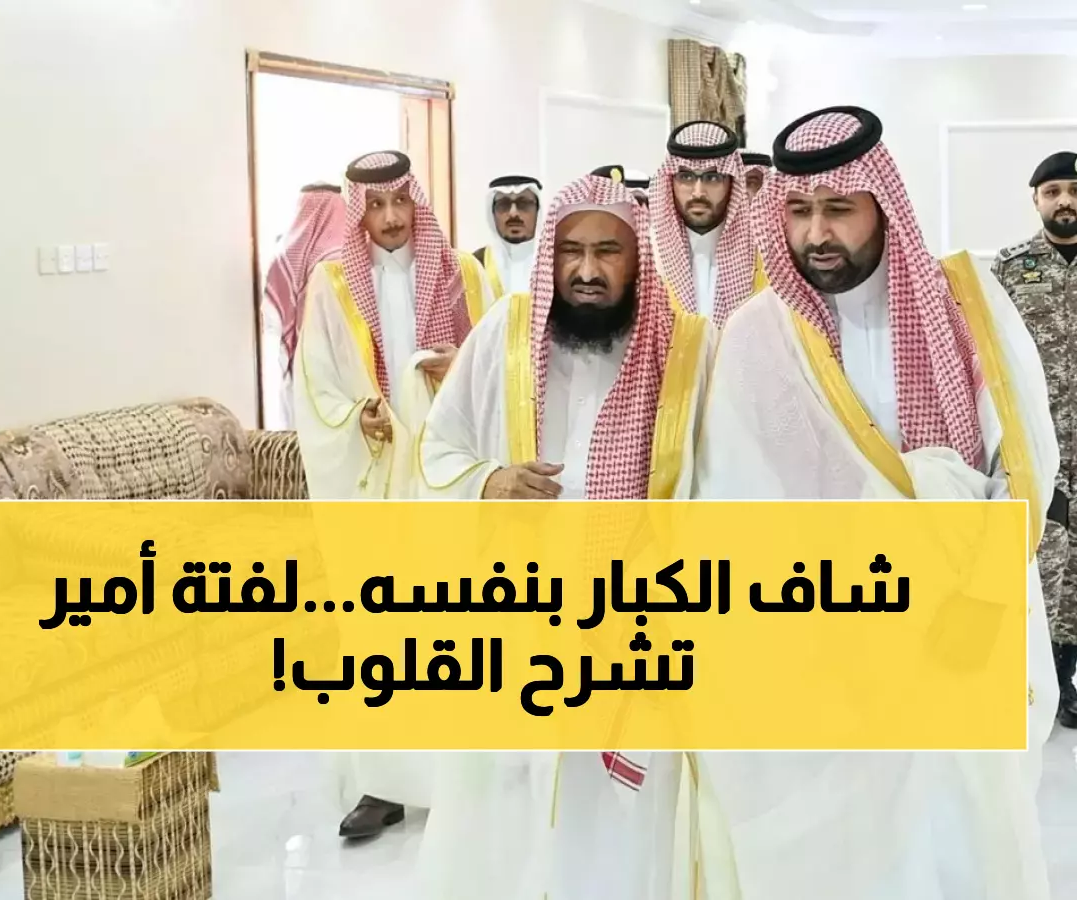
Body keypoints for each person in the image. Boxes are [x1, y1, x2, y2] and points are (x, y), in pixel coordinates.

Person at [693, 106, 1059, 900]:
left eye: (838, 209)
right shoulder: (757, 335)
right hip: (826, 628)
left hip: (962, 616)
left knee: (961, 826)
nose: (815, 232)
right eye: (798, 210)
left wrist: (982, 599)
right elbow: (732, 492)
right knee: (849, 841)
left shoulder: (969, 307)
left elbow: (1025, 459)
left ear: (882, 205)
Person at [413, 171, 713, 900]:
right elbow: (438, 447)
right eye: (572, 251)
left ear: (638, 258)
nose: (586, 270)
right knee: (513, 799)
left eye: (608, 251)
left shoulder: (686, 351)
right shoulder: (504, 335)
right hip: (520, 611)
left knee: (622, 814)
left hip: (639, 616)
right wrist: (489, 480)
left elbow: (717, 478)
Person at [293, 150, 493, 504]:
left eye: (400, 200)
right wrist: (355, 419)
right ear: (359, 212)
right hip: (378, 455)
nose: (391, 217)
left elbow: (499, 360)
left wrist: (462, 364)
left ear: (415, 201)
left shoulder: (463, 273)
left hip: (448, 453)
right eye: (375, 205)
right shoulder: (333, 283)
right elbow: (316, 378)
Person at [992, 150, 1077, 729]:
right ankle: (1034, 686)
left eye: (1074, 190)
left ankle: (1064, 682)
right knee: (1042, 568)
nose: (1064, 201)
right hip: (1038, 442)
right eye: (1053, 192)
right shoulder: (1010, 267)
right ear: (1036, 200)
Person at [648, 120, 765, 327]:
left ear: (732, 182)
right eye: (686, 176)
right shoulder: (649, 253)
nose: (698, 192)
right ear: (670, 181)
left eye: (712, 177)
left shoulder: (762, 252)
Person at [261, 183, 346, 429]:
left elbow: (271, 321)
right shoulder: (344, 256)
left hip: (300, 365)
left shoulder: (284, 257)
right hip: (338, 365)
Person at [474, 175, 543, 301]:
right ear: (492, 212)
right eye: (503, 204)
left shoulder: (554, 262)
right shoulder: (476, 263)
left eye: (523, 204)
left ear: (538, 211)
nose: (513, 213)